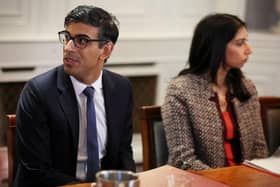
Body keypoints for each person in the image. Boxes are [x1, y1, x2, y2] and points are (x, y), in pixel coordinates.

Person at [15, 5, 135, 186]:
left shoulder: (121, 89)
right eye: (67, 38)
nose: (68, 47)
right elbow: (36, 170)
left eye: (82, 40)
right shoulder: (39, 92)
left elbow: (123, 153)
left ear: (106, 50)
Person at [161, 13, 269, 170]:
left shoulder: (247, 87)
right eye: (240, 43)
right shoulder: (181, 91)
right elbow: (183, 160)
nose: (249, 50)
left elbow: (258, 150)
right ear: (216, 47)